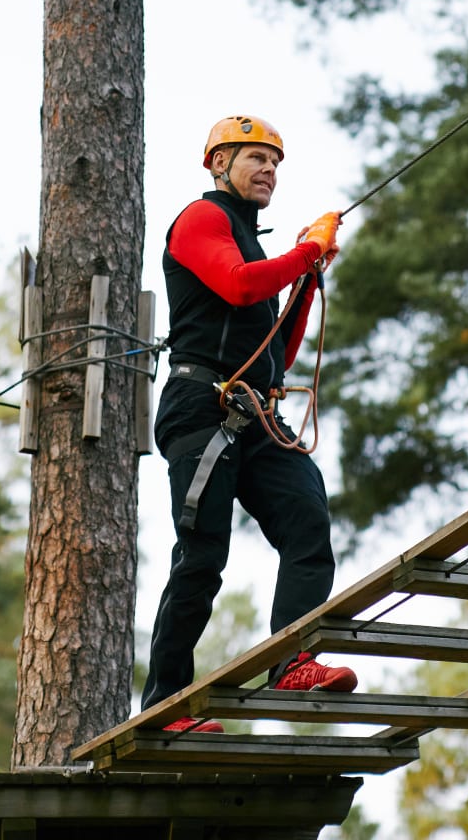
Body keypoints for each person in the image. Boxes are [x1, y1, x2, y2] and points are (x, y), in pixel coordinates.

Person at [141, 114, 358, 730]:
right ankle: (163, 704)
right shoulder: (202, 219)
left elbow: (276, 352)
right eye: (254, 158)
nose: (268, 170)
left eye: (275, 163)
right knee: (204, 554)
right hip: (203, 404)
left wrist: (307, 277)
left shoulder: (254, 244)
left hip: (256, 411)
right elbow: (238, 289)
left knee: (307, 524)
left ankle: (293, 661)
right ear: (219, 165)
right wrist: (304, 251)